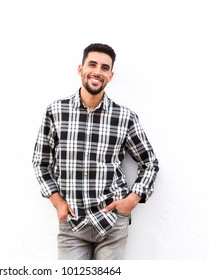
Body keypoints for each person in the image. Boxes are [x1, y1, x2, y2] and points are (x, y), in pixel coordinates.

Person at [32, 43, 159, 260]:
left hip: (111, 223)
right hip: (72, 223)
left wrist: (131, 200)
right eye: (92, 64)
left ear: (110, 75)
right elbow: (41, 162)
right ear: (80, 69)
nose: (97, 71)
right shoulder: (56, 111)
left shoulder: (125, 117)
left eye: (104, 67)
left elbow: (150, 163)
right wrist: (57, 202)